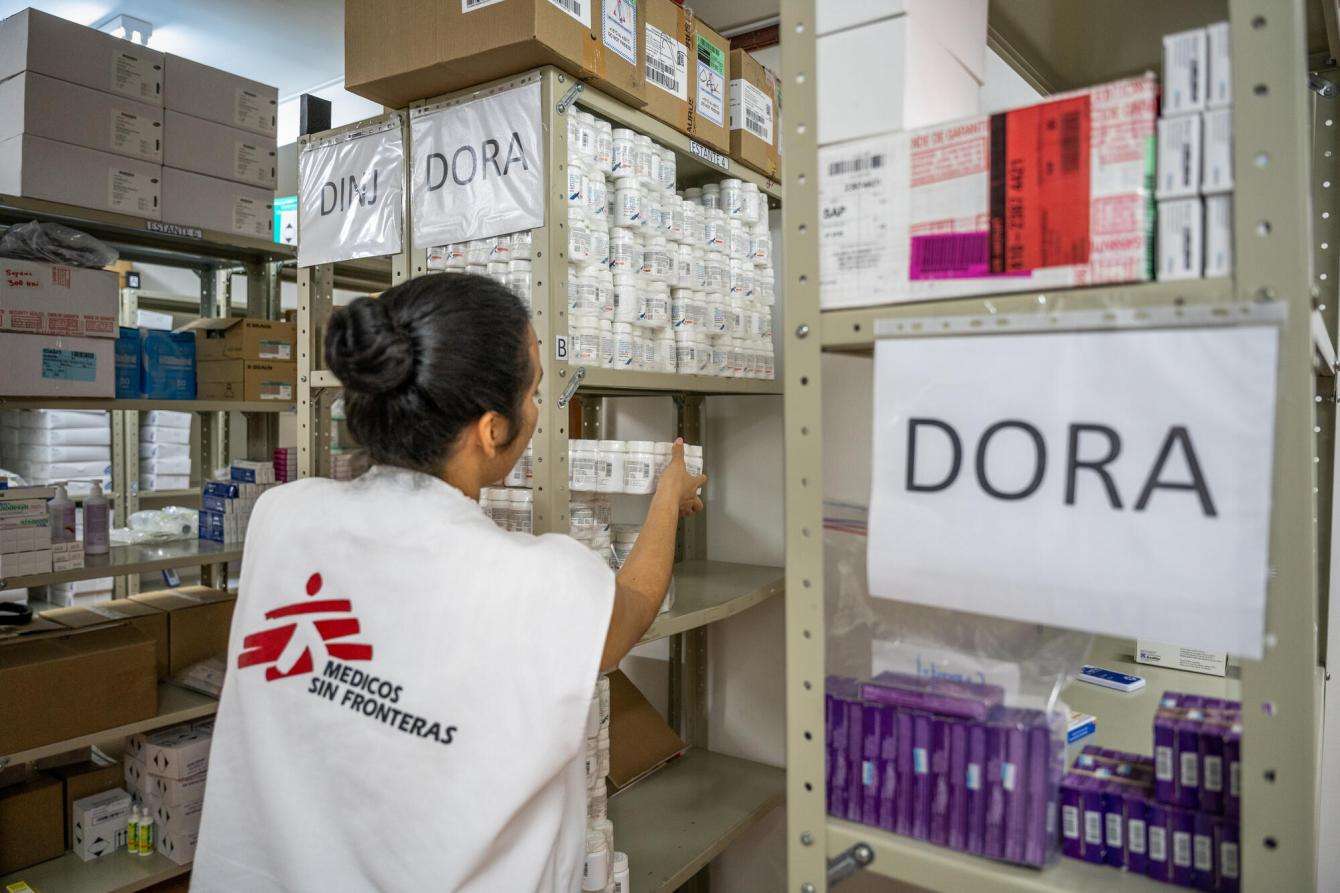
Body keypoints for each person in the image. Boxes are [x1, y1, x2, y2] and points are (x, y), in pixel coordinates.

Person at [191, 273, 705, 891]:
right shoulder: (545, 581)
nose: (539, 408)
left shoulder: (283, 517)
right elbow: (639, 604)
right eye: (535, 391)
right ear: (491, 430)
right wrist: (667, 496)